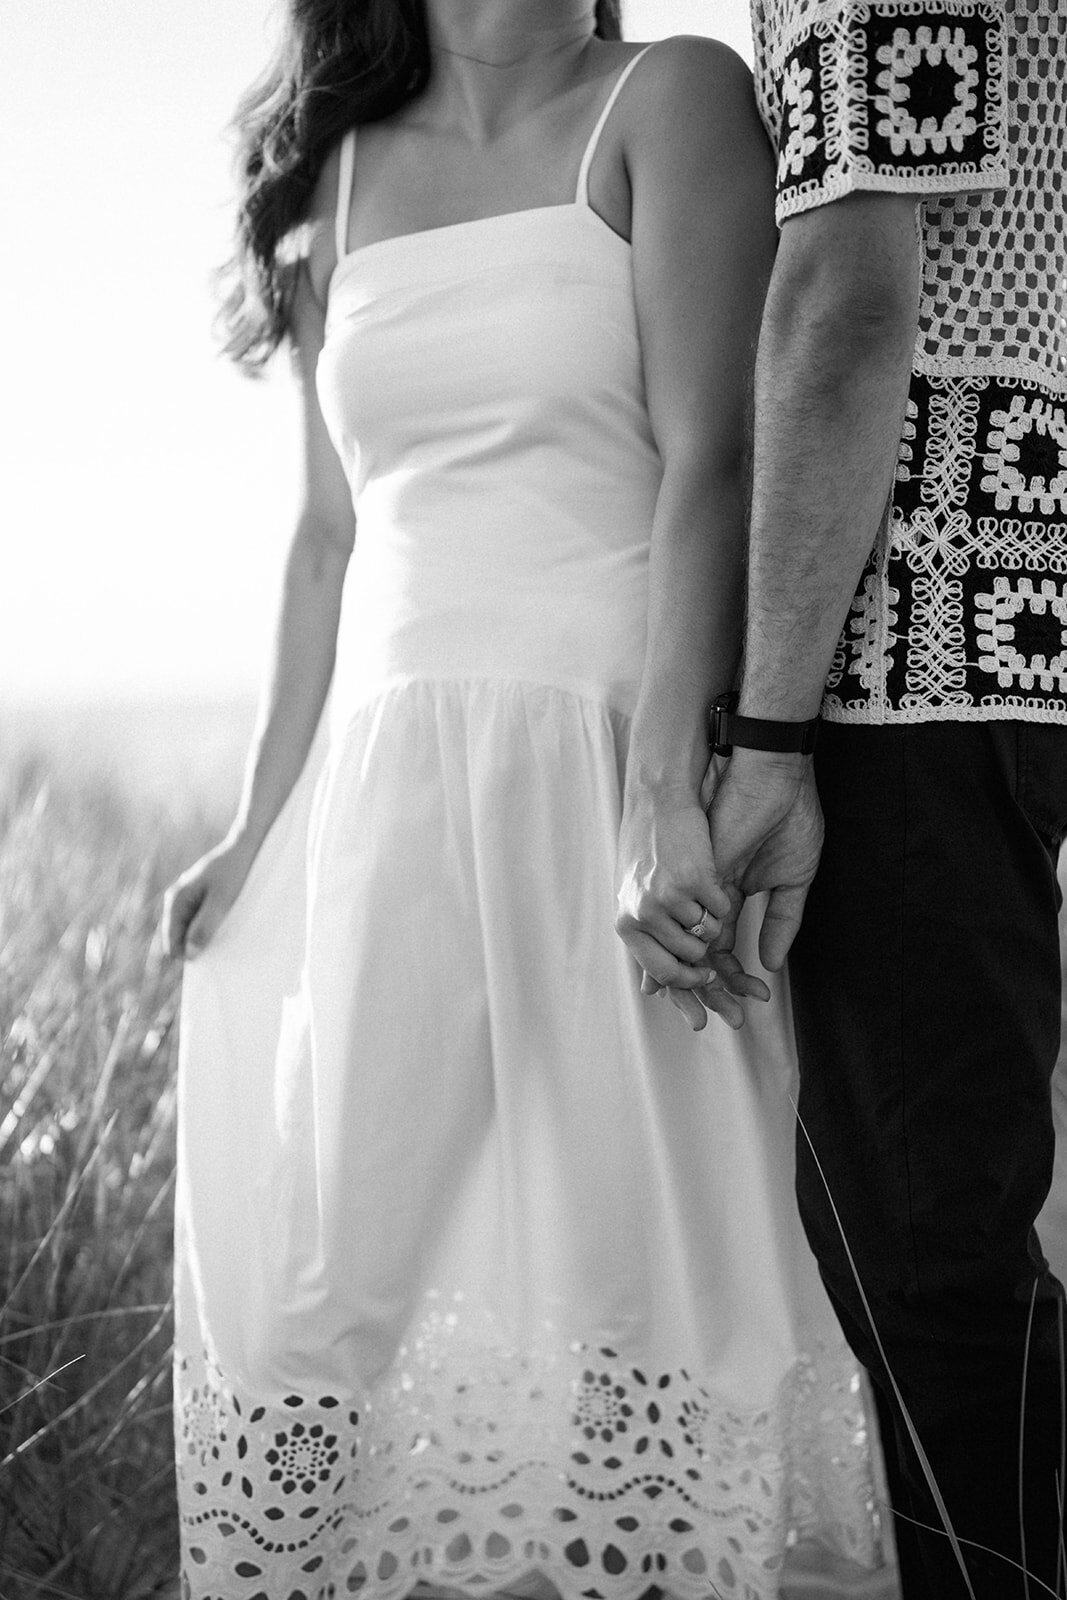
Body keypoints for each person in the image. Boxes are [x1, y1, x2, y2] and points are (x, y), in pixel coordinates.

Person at [163, 3, 902, 1597]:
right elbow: (327, 541)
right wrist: (254, 824)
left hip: (606, 761)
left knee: (643, 1270)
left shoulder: (672, 94)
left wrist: (662, 787)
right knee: (333, 1289)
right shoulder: (335, 180)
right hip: (388, 798)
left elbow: (717, 452)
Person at [616, 2, 1067, 1596]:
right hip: (1013, 632)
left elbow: (843, 303)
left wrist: (776, 737)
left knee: (934, 1279)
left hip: (927, 639)